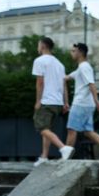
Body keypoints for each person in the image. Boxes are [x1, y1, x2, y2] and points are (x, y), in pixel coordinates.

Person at [65, 43, 99, 165]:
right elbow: (66, 78)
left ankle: (64, 160)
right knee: (88, 132)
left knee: (71, 130)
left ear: (80, 53)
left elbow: (91, 84)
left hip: (81, 104)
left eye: (73, 51)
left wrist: (97, 100)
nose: (71, 53)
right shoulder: (81, 68)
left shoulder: (84, 67)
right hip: (87, 105)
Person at [32, 37, 74, 166]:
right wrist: (66, 102)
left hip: (46, 101)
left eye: (38, 45)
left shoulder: (39, 61)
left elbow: (40, 82)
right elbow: (63, 84)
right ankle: (44, 157)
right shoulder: (59, 64)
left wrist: (38, 101)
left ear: (43, 46)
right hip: (57, 103)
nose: (37, 47)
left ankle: (63, 148)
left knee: (41, 128)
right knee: (47, 129)